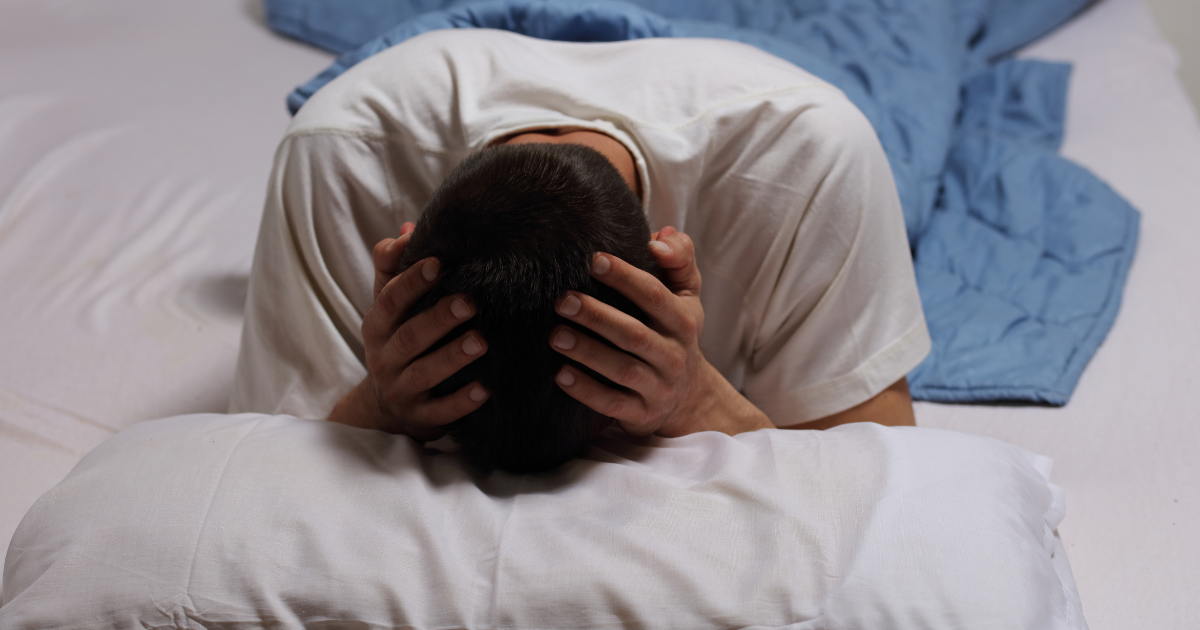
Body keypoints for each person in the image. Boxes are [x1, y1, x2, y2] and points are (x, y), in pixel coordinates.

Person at [230, 29, 931, 468]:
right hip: (434, 55)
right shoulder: (337, 156)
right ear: (399, 252)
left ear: (667, 257)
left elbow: (881, 476)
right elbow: (270, 477)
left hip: (741, 63)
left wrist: (696, 400)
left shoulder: (808, 155)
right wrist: (377, 406)